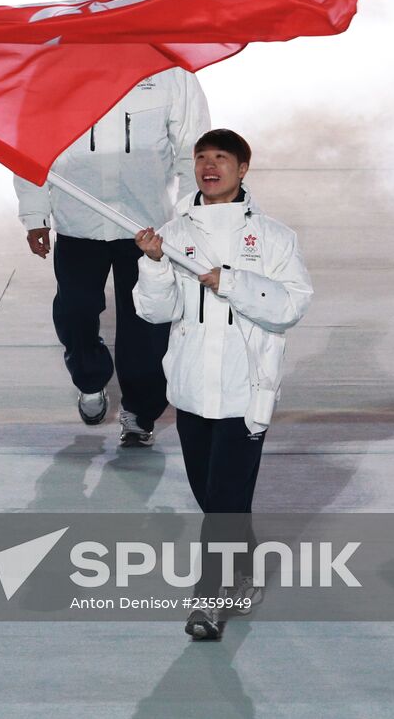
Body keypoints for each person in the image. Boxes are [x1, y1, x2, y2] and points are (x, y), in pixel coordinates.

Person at [15, 0, 209, 445]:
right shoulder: (54, 70)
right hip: (78, 224)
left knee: (145, 321)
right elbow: (27, 147)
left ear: (136, 4)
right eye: (97, 2)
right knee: (76, 314)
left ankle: (140, 411)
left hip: (146, 229)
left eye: (116, 2)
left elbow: (193, 149)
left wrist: (189, 216)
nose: (105, 11)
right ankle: (89, 379)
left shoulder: (168, 72)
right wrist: (35, 214)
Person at [134, 129, 312, 640]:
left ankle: (209, 602)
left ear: (242, 169)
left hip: (244, 390)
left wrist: (230, 281)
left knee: (225, 501)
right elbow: (154, 311)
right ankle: (247, 564)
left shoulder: (274, 237)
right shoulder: (174, 233)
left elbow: (291, 306)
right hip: (192, 391)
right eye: (201, 158)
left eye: (221, 159)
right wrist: (152, 264)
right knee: (216, 500)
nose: (209, 166)